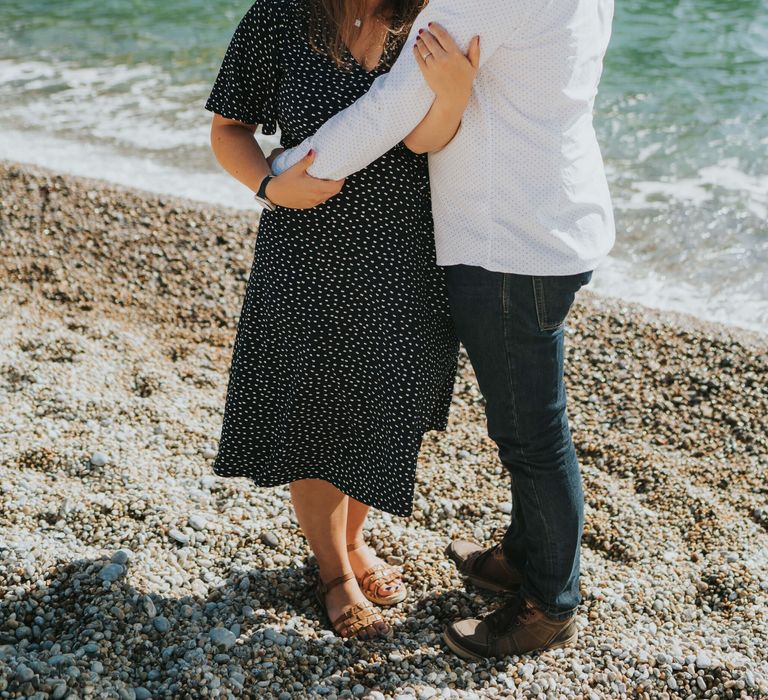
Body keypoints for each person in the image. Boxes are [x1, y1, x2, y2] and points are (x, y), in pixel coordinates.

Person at [272, 0, 616, 658]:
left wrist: (286, 169)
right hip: (557, 222)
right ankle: (524, 554)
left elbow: (389, 110)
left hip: (508, 244)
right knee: (527, 422)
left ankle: (550, 603)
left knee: (531, 436)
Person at [204, 0, 478, 642]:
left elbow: (428, 138)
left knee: (380, 403)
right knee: (314, 407)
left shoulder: (433, 17)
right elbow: (228, 131)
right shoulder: (279, 16)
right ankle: (333, 573)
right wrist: (270, 188)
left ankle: (352, 543)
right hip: (306, 250)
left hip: (406, 249)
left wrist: (455, 94)